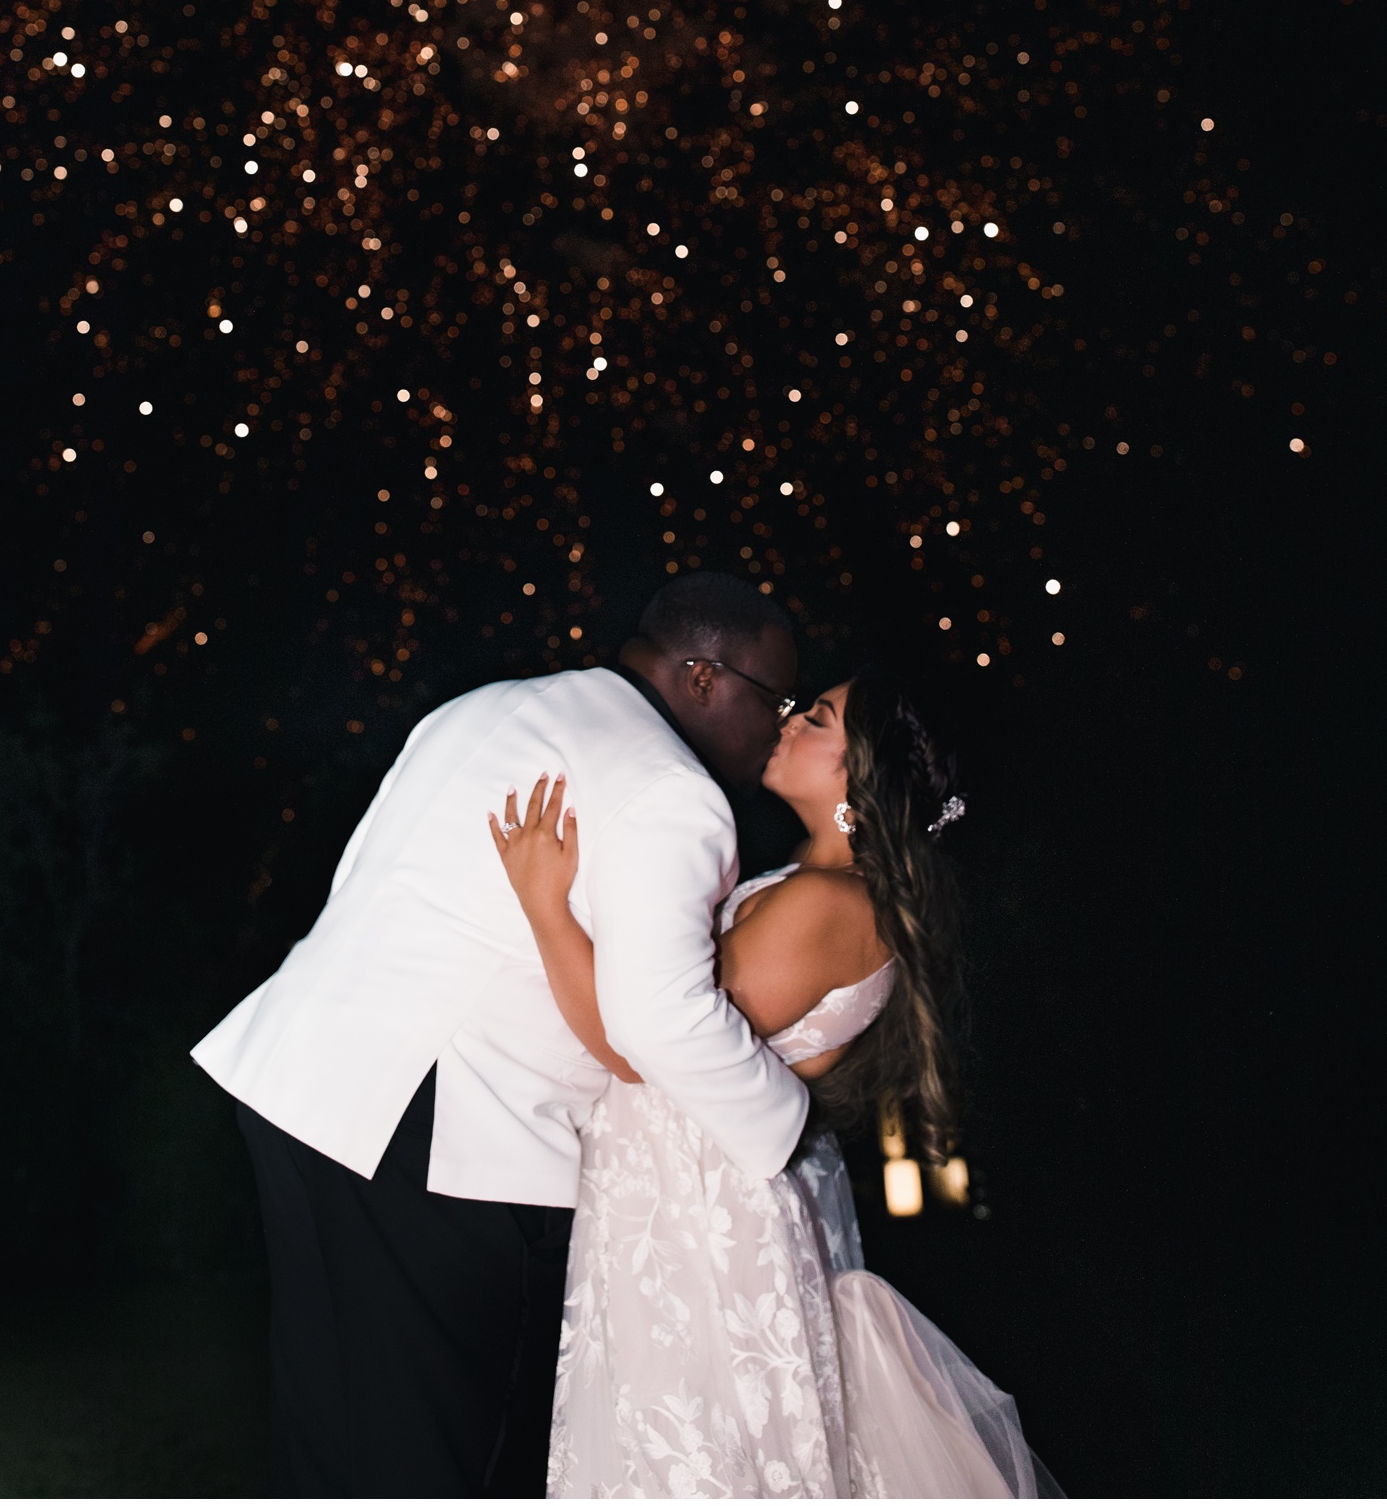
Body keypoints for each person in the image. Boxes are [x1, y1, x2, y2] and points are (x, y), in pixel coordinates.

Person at [190, 573, 808, 1498]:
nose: (780, 729)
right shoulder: (672, 790)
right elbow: (661, 1020)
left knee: (329, 1454)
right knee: (454, 1464)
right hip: (437, 1134)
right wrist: (786, 1114)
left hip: (302, 1089)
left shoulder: (485, 709)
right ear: (704, 678)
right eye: (777, 700)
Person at [493, 669, 1060, 1498]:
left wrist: (545, 906)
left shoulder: (833, 905)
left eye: (820, 718)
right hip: (678, 1196)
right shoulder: (820, 891)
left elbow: (642, 1045)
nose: (791, 719)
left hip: (693, 1216)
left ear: (860, 779)